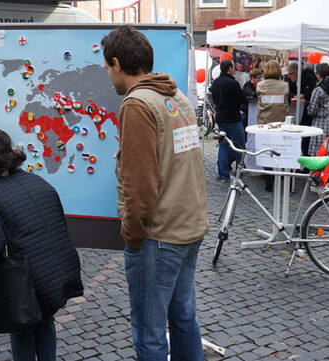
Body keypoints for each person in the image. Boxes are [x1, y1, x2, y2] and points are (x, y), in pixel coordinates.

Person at [101, 25, 209, 360]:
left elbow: (140, 185)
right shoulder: (177, 97)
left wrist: (133, 236)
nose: (108, 75)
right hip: (189, 227)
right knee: (183, 318)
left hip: (158, 236)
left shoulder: (137, 105)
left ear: (117, 64)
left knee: (149, 331)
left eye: (107, 68)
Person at [0, 129, 84, 361]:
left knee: (22, 332)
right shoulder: (38, 181)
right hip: (56, 274)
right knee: (45, 323)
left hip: (26, 282)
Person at [210, 58, 248, 182]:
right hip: (233, 118)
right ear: (230, 68)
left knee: (223, 146)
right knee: (239, 144)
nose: (235, 69)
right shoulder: (232, 83)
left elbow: (214, 100)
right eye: (233, 67)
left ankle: (223, 174)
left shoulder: (215, 83)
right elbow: (242, 99)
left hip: (221, 117)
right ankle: (239, 169)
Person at [256, 60, 290, 192]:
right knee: (279, 149)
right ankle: (277, 175)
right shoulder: (285, 85)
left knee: (266, 151)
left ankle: (268, 177)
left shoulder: (260, 85)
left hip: (264, 122)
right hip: (280, 123)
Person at [307, 63, 329, 155]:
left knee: (319, 152)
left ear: (318, 74)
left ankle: (318, 170)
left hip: (320, 124)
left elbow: (312, 111)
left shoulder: (318, 90)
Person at [286, 61, 317, 155]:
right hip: (295, 111)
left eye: (291, 74)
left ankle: (306, 157)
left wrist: (305, 95)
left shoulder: (309, 78)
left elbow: (311, 93)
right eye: (288, 74)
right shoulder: (292, 82)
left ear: (297, 73)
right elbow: (289, 92)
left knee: (305, 135)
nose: (289, 76)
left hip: (306, 112)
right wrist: (294, 95)